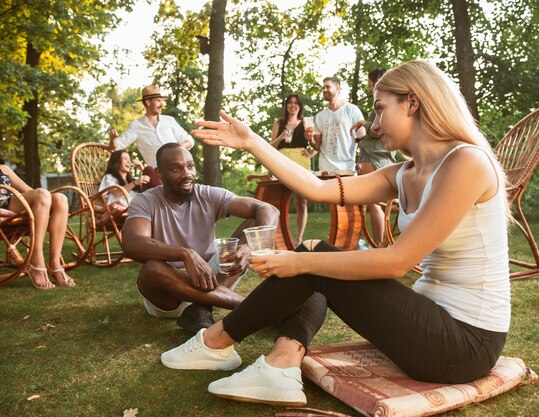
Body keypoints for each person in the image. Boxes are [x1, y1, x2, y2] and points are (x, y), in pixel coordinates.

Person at [161, 60, 511, 410]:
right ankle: (279, 365)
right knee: (313, 256)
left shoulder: (467, 163)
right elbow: (316, 188)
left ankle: (215, 342)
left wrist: (298, 262)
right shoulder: (403, 173)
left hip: (466, 345)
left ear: (413, 102)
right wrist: (252, 142)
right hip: (430, 326)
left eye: (379, 109)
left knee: (310, 259)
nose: (373, 125)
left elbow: (397, 262)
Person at [121, 143, 279, 334]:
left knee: (253, 223)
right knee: (151, 269)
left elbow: (267, 209)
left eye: (190, 166)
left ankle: (199, 309)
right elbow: (132, 243)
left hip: (211, 278)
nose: (187, 174)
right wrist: (185, 254)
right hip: (169, 293)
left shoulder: (207, 194)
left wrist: (249, 246)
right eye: (176, 168)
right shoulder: (145, 201)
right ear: (159, 173)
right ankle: (264, 310)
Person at [0, 130, 77, 289]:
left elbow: (29, 190)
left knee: (60, 198)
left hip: (10, 203)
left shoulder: (2, 168)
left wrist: (49, 203)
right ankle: (35, 258)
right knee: (43, 195)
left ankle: (54, 263)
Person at [108, 85, 194, 189]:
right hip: (157, 178)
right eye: (158, 100)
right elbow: (116, 147)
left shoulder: (169, 121)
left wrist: (178, 149)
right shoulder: (136, 126)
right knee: (148, 171)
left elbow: (189, 140)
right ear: (148, 102)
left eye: (161, 101)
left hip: (178, 174)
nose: (162, 104)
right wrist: (113, 139)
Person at [350, 68, 398, 247]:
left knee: (373, 204)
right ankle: (382, 243)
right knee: (379, 205)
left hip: (373, 159)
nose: (368, 87)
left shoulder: (380, 104)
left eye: (370, 83)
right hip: (382, 158)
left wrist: (364, 124)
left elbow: (377, 130)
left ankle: (378, 244)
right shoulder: (389, 103)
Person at [270, 93, 316, 246]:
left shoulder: (305, 123)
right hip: (282, 161)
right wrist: (281, 137)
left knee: (301, 200)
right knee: (280, 200)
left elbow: (316, 143)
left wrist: (310, 153)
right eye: (290, 102)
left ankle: (299, 239)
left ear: (300, 106)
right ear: (286, 105)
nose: (293, 105)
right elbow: (271, 147)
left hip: (300, 162)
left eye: (296, 103)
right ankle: (278, 237)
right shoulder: (279, 122)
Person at [306, 76, 364, 174]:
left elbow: (362, 139)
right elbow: (317, 147)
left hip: (347, 167)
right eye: (323, 88)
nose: (324, 90)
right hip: (325, 169)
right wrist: (309, 139)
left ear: (337, 88)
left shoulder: (352, 110)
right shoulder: (320, 116)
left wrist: (361, 161)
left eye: (327, 87)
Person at [99, 150, 150, 216]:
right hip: (120, 210)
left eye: (129, 159)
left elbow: (151, 187)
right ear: (116, 161)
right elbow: (116, 192)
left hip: (136, 208)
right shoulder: (109, 177)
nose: (129, 161)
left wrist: (143, 169)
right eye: (125, 158)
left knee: (149, 169)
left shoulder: (132, 180)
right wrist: (135, 183)